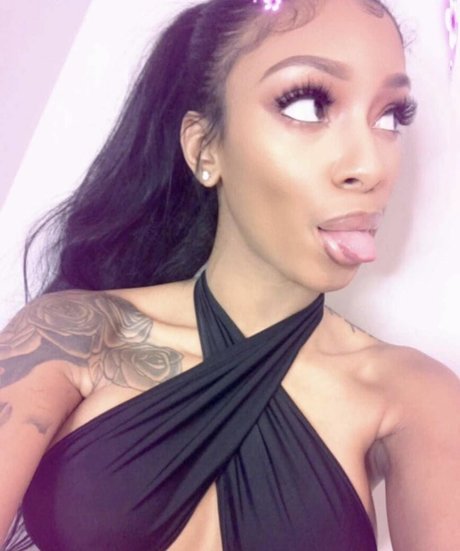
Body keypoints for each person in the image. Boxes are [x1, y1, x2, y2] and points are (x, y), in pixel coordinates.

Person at [1, 0, 459, 549]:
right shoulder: (72, 334)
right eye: (309, 105)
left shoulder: (413, 395)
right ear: (205, 147)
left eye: (389, 117)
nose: (370, 166)